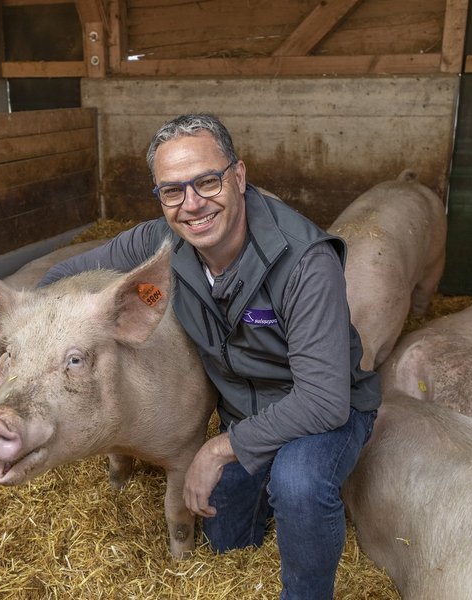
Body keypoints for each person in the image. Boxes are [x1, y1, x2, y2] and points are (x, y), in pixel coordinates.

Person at [31, 113, 380, 599]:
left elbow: (323, 401)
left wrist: (217, 449)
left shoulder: (305, 262)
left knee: (298, 482)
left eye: (207, 182)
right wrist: (32, 343)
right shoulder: (160, 243)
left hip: (324, 412)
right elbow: (63, 275)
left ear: (239, 176)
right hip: (245, 414)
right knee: (224, 540)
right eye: (172, 191)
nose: (192, 204)